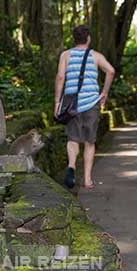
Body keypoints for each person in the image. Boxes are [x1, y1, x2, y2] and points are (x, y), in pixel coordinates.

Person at [54, 25, 116, 189]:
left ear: (74, 39)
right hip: (91, 104)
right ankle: (87, 179)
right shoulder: (96, 56)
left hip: (71, 104)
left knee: (73, 139)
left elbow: (60, 77)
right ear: (88, 38)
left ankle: (72, 166)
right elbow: (110, 71)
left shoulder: (66, 55)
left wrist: (57, 102)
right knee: (89, 142)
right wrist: (104, 92)